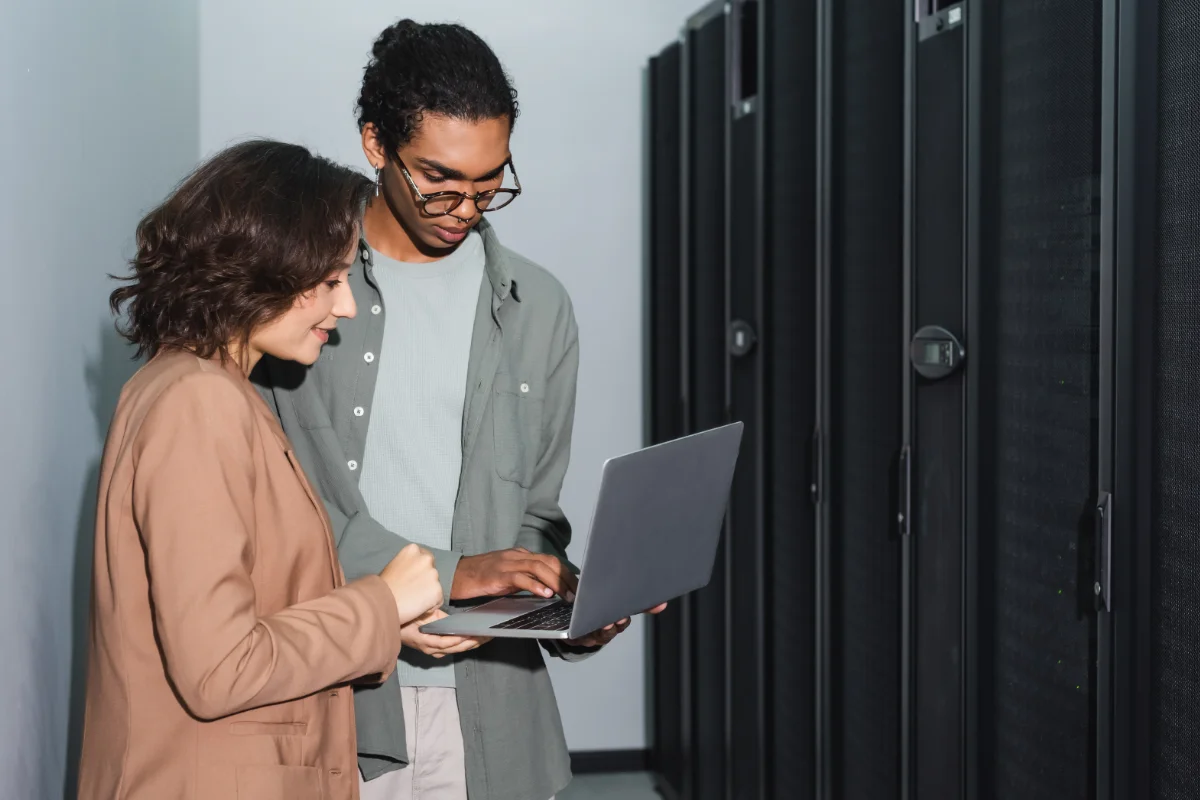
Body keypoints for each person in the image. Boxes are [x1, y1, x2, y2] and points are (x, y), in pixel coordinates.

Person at [253, 19, 664, 800]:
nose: (464, 207)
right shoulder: (294, 297)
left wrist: (567, 599)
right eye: (438, 179)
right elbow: (277, 516)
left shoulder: (538, 306)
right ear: (375, 144)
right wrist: (456, 572)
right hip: (331, 703)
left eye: (489, 182)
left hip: (493, 721)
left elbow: (534, 515)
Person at [77, 140, 446, 800]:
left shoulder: (198, 388)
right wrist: (380, 602)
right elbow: (218, 667)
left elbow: (254, 601)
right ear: (264, 268)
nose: (347, 307)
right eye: (331, 281)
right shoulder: (198, 402)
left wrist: (385, 622)